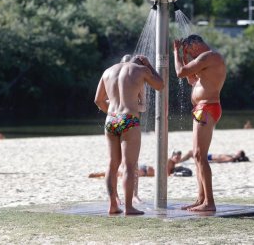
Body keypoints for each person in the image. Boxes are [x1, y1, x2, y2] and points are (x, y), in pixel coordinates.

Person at [94, 55, 164, 215]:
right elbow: (160, 85)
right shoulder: (141, 70)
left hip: (111, 119)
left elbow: (98, 100)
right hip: (129, 119)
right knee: (130, 166)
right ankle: (128, 207)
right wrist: (150, 66)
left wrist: (113, 114)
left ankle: (113, 205)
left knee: (112, 164)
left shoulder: (108, 71)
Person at [173, 34, 226, 212]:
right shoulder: (205, 61)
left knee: (200, 155)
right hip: (202, 108)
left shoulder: (208, 56)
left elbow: (180, 72)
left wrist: (176, 53)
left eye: (189, 51)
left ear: (195, 45)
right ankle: (201, 198)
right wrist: (185, 56)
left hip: (207, 107)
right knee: (196, 156)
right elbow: (191, 79)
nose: (190, 55)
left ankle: (209, 202)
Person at [179, 149, 250, 163]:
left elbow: (220, 161)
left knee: (190, 152)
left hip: (208, 157)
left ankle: (179, 161)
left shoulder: (231, 158)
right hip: (208, 156)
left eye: (238, 152)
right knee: (191, 153)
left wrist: (208, 161)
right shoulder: (232, 156)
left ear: (239, 155)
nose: (237, 151)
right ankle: (180, 160)